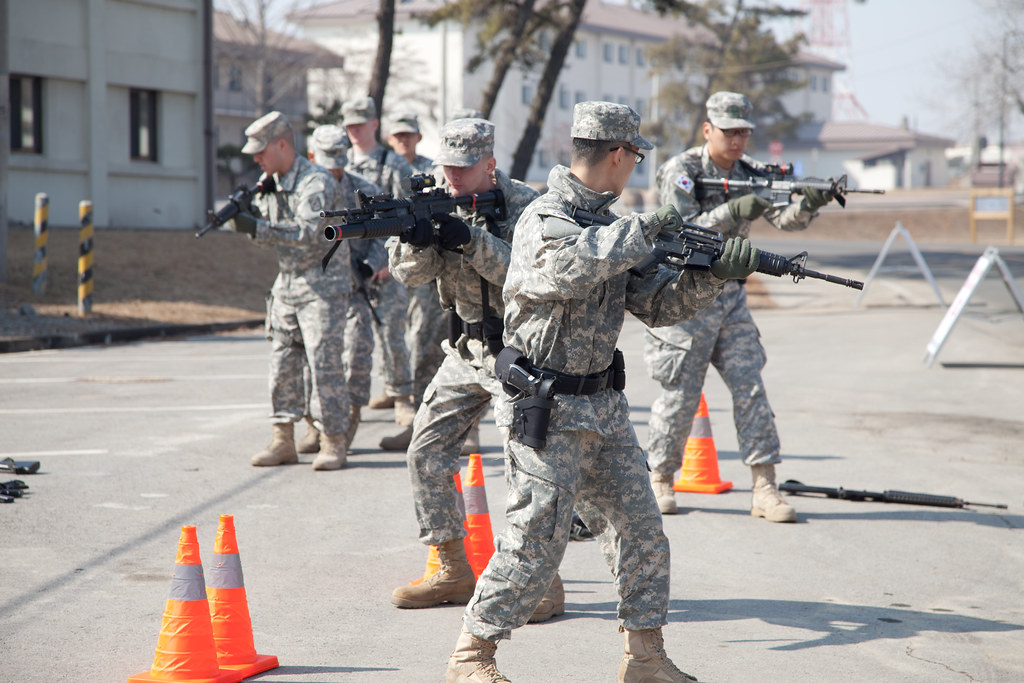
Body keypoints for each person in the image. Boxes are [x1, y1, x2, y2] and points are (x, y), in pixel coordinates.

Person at [445, 101, 759, 683]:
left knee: (641, 532)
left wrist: (711, 277)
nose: (635, 166)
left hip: (604, 408)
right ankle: (471, 657)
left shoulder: (612, 229)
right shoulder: (545, 217)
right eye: (634, 156)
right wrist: (644, 229)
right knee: (535, 539)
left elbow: (658, 306)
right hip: (546, 408)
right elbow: (568, 270)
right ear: (617, 154)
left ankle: (645, 657)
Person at [386, 118, 565, 621]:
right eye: (446, 166)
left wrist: (470, 239)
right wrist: (418, 239)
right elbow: (408, 275)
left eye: (463, 168)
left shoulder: (529, 204)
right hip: (466, 350)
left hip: (520, 352)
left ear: (489, 164)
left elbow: (532, 275)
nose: (453, 177)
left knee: (527, 468)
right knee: (425, 451)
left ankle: (545, 583)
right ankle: (451, 569)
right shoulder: (437, 199)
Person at [645, 91, 834, 522]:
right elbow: (679, 228)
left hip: (731, 300)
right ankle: (660, 478)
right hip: (686, 298)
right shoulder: (682, 170)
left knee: (751, 388)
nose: (737, 140)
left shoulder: (751, 171)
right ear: (708, 129)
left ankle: (765, 487)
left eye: (744, 132)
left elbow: (784, 219)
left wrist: (808, 203)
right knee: (680, 396)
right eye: (729, 131)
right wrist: (733, 210)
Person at [227, 111, 352, 471]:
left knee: (324, 365)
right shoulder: (270, 182)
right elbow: (271, 239)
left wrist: (257, 226)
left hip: (322, 286)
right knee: (282, 363)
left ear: (282, 144)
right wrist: (248, 222)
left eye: (261, 150)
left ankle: (333, 441)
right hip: (288, 284)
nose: (256, 158)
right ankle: (283, 440)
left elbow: (307, 233)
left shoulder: (316, 181)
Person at [304, 124, 386, 449]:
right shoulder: (305, 194)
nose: (335, 171)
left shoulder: (364, 190)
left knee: (358, 353)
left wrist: (369, 266)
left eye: (340, 163)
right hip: (315, 293)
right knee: (313, 361)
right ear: (312, 157)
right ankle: (315, 425)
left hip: (354, 291)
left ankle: (349, 417)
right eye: (329, 164)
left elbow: (384, 233)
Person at [342, 97, 418, 432]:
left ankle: (402, 396)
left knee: (392, 333)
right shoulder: (340, 163)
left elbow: (408, 213)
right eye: (349, 126)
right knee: (351, 340)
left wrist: (390, 259)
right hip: (350, 268)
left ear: (374, 124)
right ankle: (349, 406)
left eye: (360, 124)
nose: (354, 131)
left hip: (387, 266)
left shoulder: (394, 164)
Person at [384, 112, 449, 452]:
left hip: (435, 271)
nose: (403, 141)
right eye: (398, 135)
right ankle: (413, 416)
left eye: (408, 135)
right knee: (406, 337)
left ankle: (460, 430)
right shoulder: (388, 168)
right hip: (404, 267)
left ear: (418, 137)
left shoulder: (434, 170)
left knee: (429, 341)